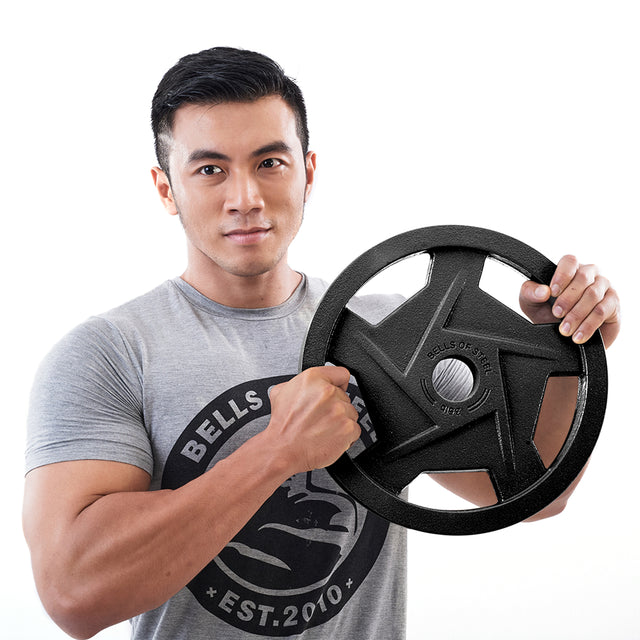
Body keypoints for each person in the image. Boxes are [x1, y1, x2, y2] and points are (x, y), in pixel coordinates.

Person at [22, 47, 621, 640]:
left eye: (269, 163)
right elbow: (74, 595)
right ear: (165, 188)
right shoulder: (109, 355)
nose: (245, 198)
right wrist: (276, 452)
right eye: (210, 170)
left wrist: (566, 349)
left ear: (308, 172)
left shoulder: (387, 336)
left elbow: (535, 494)